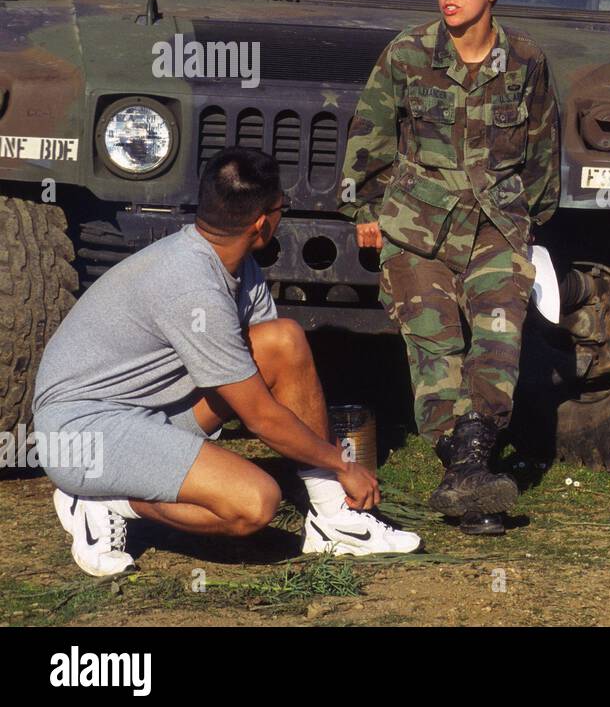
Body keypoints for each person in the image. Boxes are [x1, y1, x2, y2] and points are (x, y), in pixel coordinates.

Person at [32, 147, 419, 578]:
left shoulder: (235, 262)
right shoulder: (191, 285)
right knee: (255, 503)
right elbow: (261, 417)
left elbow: (273, 370)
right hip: (86, 431)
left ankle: (332, 520)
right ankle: (106, 500)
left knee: (284, 340)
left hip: (152, 407)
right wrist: (342, 463)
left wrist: (329, 473)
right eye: (281, 208)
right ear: (262, 224)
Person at [338, 0, 559, 536]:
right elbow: (371, 129)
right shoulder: (408, 53)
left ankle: (470, 462)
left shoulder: (526, 60)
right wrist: (364, 206)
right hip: (417, 223)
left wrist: (530, 220)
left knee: (498, 338)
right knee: (434, 346)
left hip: (496, 222)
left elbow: (542, 149)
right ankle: (466, 468)